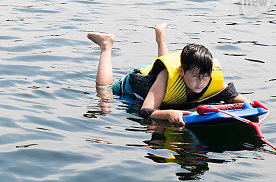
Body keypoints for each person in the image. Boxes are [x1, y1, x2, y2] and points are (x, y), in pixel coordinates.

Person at [87, 24, 247, 125]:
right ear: (182, 72)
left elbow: (235, 97)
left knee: (168, 72)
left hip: (163, 76)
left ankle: (161, 37)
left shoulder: (209, 78)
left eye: (205, 76)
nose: (201, 82)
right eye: (195, 75)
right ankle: (106, 45)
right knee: (104, 95)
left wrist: (251, 105)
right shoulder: (167, 77)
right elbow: (145, 111)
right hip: (136, 82)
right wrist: (167, 114)